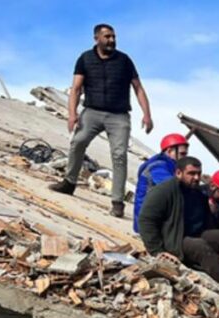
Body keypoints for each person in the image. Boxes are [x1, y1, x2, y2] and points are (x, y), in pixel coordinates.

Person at [50, 23, 154, 218]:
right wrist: (72, 113)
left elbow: (138, 88)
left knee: (119, 155)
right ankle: (69, 183)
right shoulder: (85, 59)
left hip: (119, 115)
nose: (112, 40)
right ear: (96, 38)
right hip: (92, 111)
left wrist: (147, 114)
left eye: (113, 36)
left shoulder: (124, 61)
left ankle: (117, 203)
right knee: (78, 142)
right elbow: (76, 88)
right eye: (107, 36)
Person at [138, 157, 219, 304]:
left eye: (198, 173)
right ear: (178, 173)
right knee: (200, 247)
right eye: (191, 173)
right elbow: (146, 220)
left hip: (195, 232)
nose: (196, 177)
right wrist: (157, 250)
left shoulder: (197, 192)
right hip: (174, 239)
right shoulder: (164, 191)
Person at [133, 133, 189, 232]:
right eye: (182, 154)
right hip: (148, 224)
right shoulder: (157, 166)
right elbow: (174, 187)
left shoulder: (169, 165)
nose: (184, 158)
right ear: (169, 151)